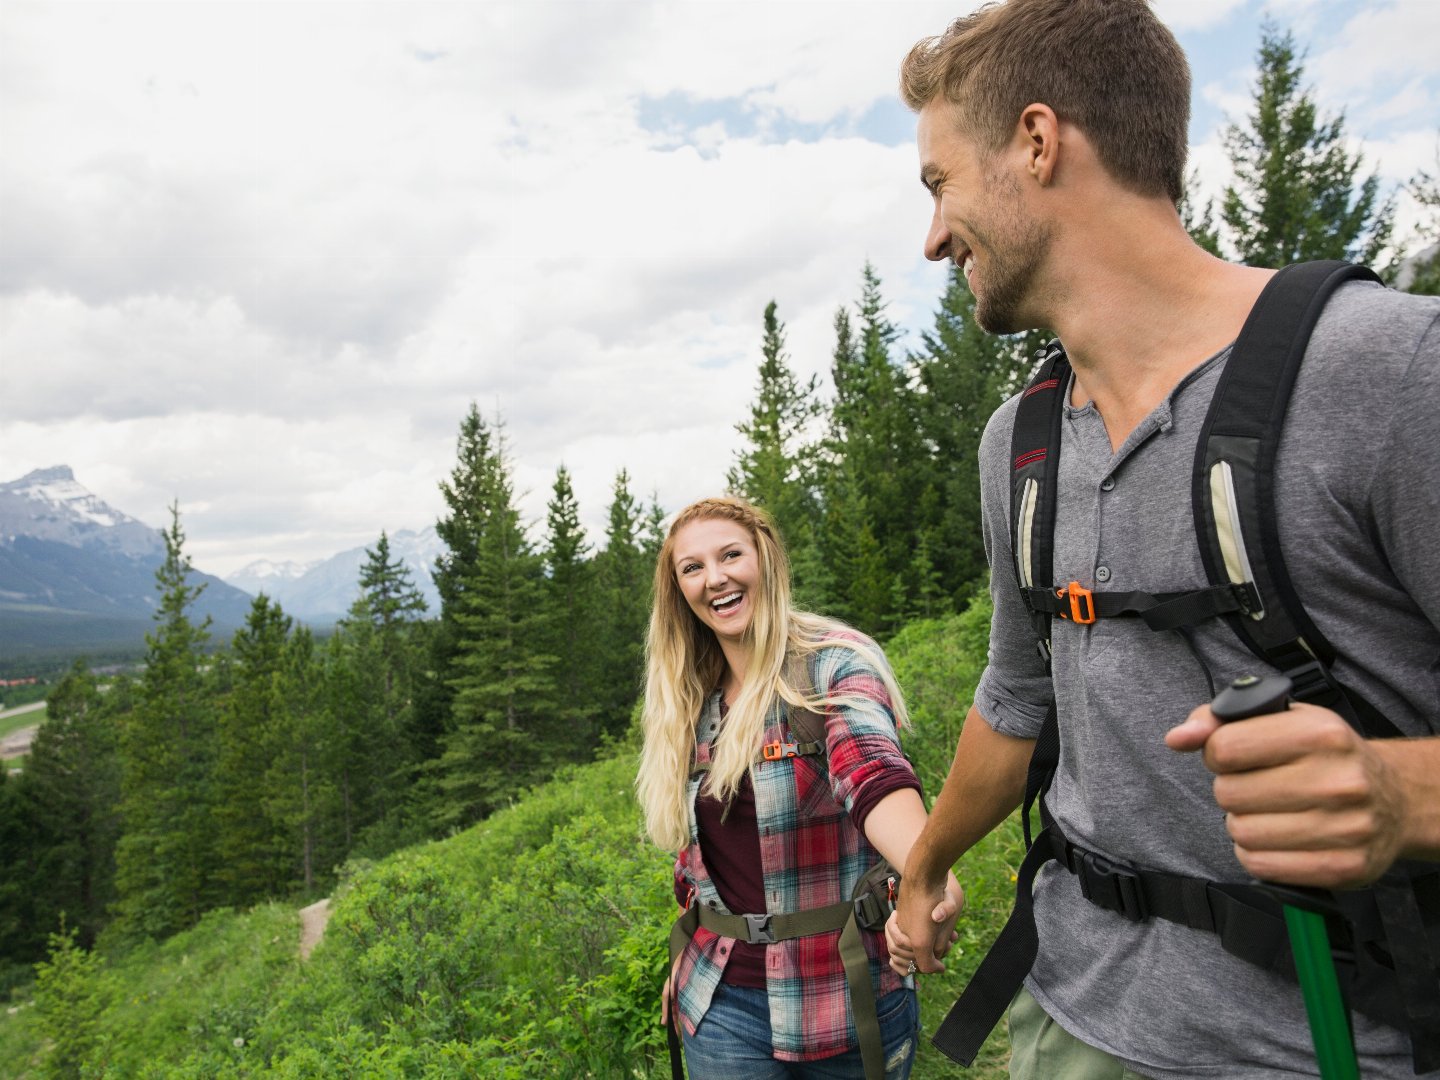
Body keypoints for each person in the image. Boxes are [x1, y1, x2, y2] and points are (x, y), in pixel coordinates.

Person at [884, 1, 1440, 1078]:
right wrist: (926, 864)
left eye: (939, 184)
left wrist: (1398, 794)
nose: (934, 234)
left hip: (1332, 1047)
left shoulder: (1388, 375)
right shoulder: (1022, 444)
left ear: (1037, 143)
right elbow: (1015, 699)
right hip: (1068, 1020)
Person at [637, 496, 962, 1079]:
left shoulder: (832, 664)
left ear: (765, 559)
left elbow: (871, 768)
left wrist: (926, 871)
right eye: (693, 567)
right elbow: (699, 855)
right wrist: (693, 957)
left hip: (846, 993)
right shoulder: (685, 695)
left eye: (731, 554)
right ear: (677, 588)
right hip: (722, 1005)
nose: (716, 578)